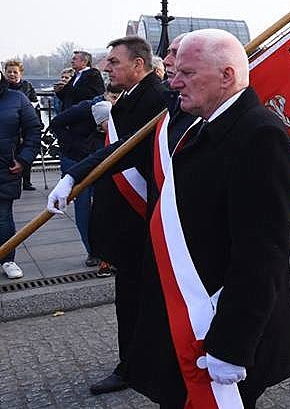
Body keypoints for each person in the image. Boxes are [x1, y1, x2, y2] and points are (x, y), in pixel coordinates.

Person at [49, 29, 290, 407]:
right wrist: (74, 176)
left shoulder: (260, 136)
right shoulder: (199, 122)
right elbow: (129, 151)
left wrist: (232, 345)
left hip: (218, 322)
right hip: (187, 309)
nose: (174, 82)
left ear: (227, 76)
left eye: (187, 73)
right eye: (175, 71)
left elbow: (261, 256)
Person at [83, 37, 171, 395]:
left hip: (144, 221)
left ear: (138, 65)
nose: (107, 68)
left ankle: (136, 366)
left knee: (143, 299)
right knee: (130, 299)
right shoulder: (129, 99)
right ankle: (134, 362)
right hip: (128, 225)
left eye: (114, 62)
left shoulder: (159, 101)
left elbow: (135, 157)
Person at [49, 94, 114, 267]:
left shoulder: (114, 112)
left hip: (96, 158)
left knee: (101, 203)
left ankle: (105, 250)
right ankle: (92, 251)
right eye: (113, 96)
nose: (115, 99)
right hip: (75, 157)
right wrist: (73, 144)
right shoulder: (84, 109)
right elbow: (56, 124)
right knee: (83, 204)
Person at [0, 75, 42, 279]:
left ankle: (7, 259)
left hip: (5, 168)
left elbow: (34, 129)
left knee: (3, 216)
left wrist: (24, 159)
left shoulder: (16, 98)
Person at [4, 59, 39, 191]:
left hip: (26, 123)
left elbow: (35, 104)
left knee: (26, 151)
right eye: (9, 72)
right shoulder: (3, 87)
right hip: (10, 125)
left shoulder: (27, 86)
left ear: (20, 74)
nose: (12, 74)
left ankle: (27, 181)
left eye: (15, 72)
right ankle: (12, 179)